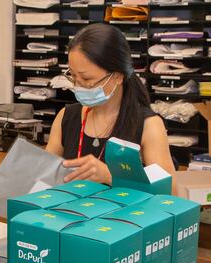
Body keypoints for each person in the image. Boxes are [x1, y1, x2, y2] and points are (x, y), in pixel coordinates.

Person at [46, 23, 176, 184]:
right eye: (72, 76)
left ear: (117, 76)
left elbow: (170, 194)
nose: (78, 86)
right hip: (68, 209)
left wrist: (112, 176)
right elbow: (44, 178)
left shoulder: (148, 125)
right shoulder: (65, 118)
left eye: (86, 79)